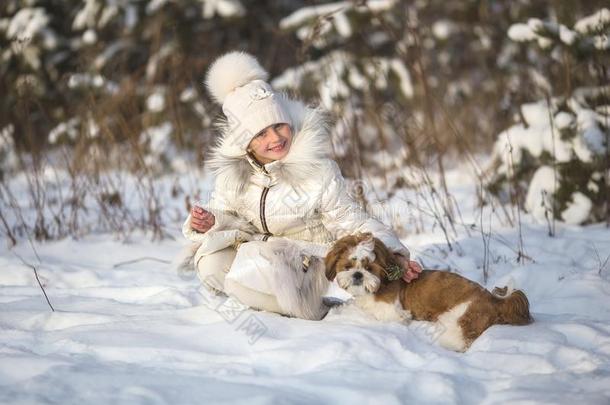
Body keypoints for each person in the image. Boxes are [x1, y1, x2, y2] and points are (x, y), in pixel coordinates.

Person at [182, 51, 422, 315]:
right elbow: (225, 210)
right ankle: (264, 300)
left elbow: (351, 221)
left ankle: (308, 310)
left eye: (279, 126)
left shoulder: (318, 171)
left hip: (303, 263)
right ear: (244, 141)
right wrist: (209, 221)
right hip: (256, 255)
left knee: (247, 276)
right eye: (261, 133)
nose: (275, 138)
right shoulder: (234, 174)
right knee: (211, 262)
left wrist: (393, 255)